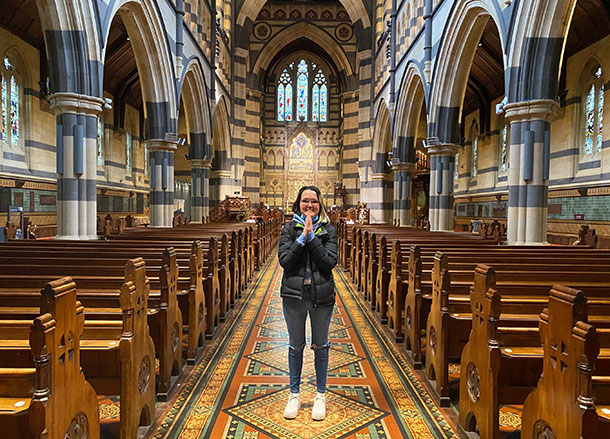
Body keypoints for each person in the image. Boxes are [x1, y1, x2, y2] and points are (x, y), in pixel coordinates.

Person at [278, 185, 338, 421]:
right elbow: (285, 261)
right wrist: (302, 237)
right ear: (298, 204)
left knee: (321, 345)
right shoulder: (289, 229)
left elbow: (328, 263)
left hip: (321, 297)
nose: (309, 205)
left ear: (320, 204)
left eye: (313, 201)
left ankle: (320, 395)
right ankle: (294, 394)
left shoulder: (329, 230)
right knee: (295, 346)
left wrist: (313, 238)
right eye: (305, 201)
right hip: (294, 296)